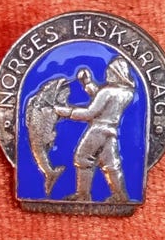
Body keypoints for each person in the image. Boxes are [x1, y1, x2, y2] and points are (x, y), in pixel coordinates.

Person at [55, 57, 135, 202]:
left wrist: (66, 112)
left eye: (110, 71)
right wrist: (87, 83)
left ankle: (83, 195)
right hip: (111, 130)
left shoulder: (107, 91)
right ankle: (121, 196)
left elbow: (90, 113)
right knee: (111, 164)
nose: (107, 73)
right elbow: (103, 99)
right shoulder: (127, 93)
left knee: (82, 158)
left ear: (117, 72)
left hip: (98, 129)